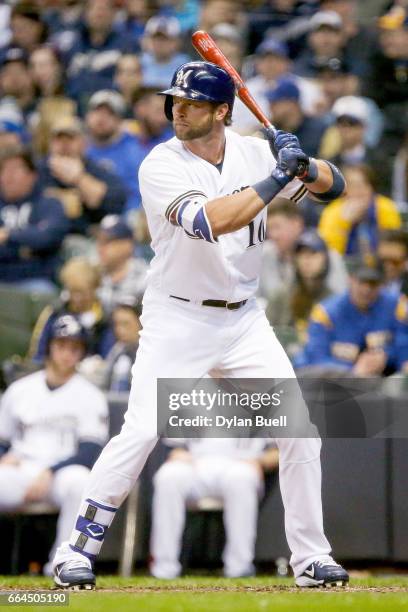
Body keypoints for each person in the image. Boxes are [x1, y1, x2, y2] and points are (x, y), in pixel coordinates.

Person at [51, 60, 349, 589]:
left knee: (299, 433)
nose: (177, 111)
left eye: (190, 104)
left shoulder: (255, 151)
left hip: (244, 319)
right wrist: (279, 174)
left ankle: (311, 560)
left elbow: (336, 186)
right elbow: (213, 220)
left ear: (221, 111)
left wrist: (303, 164)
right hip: (178, 315)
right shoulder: (160, 164)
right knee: (141, 430)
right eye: (175, 102)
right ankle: (76, 552)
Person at [0, 314, 109, 576]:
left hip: (63, 473)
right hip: (23, 470)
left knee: (81, 481)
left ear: (82, 353)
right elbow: (3, 441)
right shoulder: (20, 389)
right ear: (49, 346)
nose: (66, 354)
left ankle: (63, 564)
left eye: (74, 348)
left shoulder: (90, 395)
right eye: (61, 345)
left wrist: (50, 471)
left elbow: (90, 452)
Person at [150, 438, 279, 578]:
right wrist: (178, 454)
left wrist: (261, 461)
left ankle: (240, 569)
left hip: (242, 464)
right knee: (168, 476)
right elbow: (176, 447)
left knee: (241, 477)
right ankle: (163, 569)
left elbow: (278, 452)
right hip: (195, 463)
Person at [296, 261, 408, 374]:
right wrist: (353, 371)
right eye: (362, 282)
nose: (366, 290)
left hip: (379, 378)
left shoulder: (395, 305)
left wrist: (386, 356)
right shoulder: (326, 313)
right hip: (330, 382)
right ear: (350, 280)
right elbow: (316, 359)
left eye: (373, 284)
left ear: (381, 284)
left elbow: (403, 345)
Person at [40, 115, 127, 234]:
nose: (64, 145)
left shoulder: (94, 168)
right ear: (50, 143)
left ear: (83, 143)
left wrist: (79, 178)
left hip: (85, 237)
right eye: (59, 139)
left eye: (70, 138)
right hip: (44, 236)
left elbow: (117, 200)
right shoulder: (38, 169)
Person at [0, 145, 69, 292]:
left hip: (36, 282)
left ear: (32, 175)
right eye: (3, 170)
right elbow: (37, 239)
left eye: (15, 169)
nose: (8, 176)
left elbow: (47, 237)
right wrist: (25, 248)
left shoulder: (49, 203)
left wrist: (8, 235)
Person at [258, 199, 348, 304]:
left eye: (277, 227)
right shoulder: (264, 254)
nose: (273, 235)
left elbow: (340, 299)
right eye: (269, 229)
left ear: (297, 224)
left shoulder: (325, 255)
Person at [29, 257, 113, 362]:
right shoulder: (55, 312)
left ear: (95, 288)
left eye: (82, 292)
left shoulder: (103, 319)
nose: (77, 298)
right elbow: (38, 354)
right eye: (73, 291)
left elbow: (107, 357)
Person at [265, 229, 335, 344]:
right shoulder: (282, 295)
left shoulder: (333, 300)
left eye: (313, 254)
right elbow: (265, 335)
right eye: (301, 254)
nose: (306, 260)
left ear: (325, 259)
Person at [319, 164, 402, 258]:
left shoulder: (386, 208)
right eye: (353, 185)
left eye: (364, 185)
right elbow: (330, 255)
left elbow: (394, 249)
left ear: (372, 188)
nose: (359, 191)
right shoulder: (332, 213)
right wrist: (343, 223)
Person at [85, 89, 146, 211]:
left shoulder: (133, 152)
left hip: (122, 217)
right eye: (97, 111)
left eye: (110, 114)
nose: (101, 118)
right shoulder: (81, 147)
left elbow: (138, 196)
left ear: (120, 121)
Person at [96, 214, 147, 315]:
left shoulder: (146, 277)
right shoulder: (94, 276)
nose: (101, 247)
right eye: (99, 240)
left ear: (128, 245)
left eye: (108, 241)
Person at [266, 79, 328, 158]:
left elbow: (329, 165)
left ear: (292, 103)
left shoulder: (320, 129)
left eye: (275, 103)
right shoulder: (269, 132)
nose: (270, 107)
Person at [103, 298, 141, 392]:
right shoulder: (117, 349)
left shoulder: (150, 351)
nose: (120, 330)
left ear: (140, 323)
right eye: (116, 324)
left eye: (126, 324)